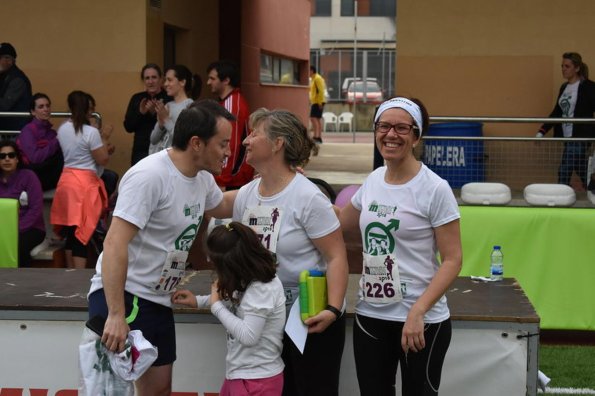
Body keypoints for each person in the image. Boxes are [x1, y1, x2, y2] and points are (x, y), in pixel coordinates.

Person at [87, 99, 238, 396]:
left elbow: (221, 206)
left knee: (159, 390)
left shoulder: (203, 179)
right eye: (222, 144)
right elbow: (114, 243)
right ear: (196, 143)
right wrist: (116, 314)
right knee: (114, 391)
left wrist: (273, 185)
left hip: (158, 299)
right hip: (126, 299)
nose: (228, 151)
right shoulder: (150, 176)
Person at [339, 97, 462, 396]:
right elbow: (341, 224)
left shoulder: (434, 188)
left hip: (420, 320)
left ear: (416, 136)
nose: (390, 134)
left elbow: (452, 259)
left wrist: (418, 312)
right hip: (372, 313)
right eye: (383, 126)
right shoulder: (372, 180)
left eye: (401, 127)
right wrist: (301, 189)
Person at [230, 108, 349, 396]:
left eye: (254, 134)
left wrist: (331, 310)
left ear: (277, 143)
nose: (246, 140)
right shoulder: (246, 194)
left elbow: (336, 256)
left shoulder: (308, 196)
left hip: (310, 316)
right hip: (263, 317)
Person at [172, 221, 286, 396]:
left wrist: (216, 307)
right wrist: (199, 301)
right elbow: (235, 303)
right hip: (240, 374)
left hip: (257, 380)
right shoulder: (248, 279)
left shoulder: (262, 288)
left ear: (235, 264)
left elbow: (248, 336)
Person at [50, 91, 110, 269]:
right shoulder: (91, 132)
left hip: (66, 181)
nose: (92, 113)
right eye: (91, 109)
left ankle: (69, 272)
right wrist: (105, 137)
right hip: (84, 185)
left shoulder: (62, 129)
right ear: (85, 109)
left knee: (71, 231)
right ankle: (78, 275)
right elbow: (103, 159)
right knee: (82, 232)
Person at [537, 52, 595, 188]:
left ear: (577, 68)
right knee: (581, 167)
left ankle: (560, 195)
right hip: (568, 136)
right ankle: (593, 188)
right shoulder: (564, 88)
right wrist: (542, 131)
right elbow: (557, 112)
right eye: (562, 66)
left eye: (567, 66)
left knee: (565, 168)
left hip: (581, 136)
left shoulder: (589, 87)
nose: (563, 69)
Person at [207, 60, 254, 190]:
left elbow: (230, 145)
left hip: (232, 181)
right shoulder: (230, 102)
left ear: (226, 80)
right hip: (232, 179)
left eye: (212, 78)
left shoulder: (232, 104)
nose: (208, 82)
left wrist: (222, 180)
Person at [0, 140, 45, 267]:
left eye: (11, 155)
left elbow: (36, 209)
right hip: (2, 229)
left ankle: (22, 282)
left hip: (31, 229)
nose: (7, 159)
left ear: (17, 159)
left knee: (18, 244)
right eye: (2, 156)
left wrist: (15, 229)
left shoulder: (29, 177)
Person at [124, 63, 171, 165]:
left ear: (161, 79)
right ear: (143, 81)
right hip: (141, 151)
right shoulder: (137, 98)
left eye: (154, 77)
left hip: (162, 149)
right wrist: (141, 113)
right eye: (147, 78)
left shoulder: (169, 98)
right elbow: (128, 127)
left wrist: (156, 113)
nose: (150, 81)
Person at [16, 93, 64, 191]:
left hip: (47, 173)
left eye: (47, 106)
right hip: (34, 174)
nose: (46, 109)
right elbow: (35, 158)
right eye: (41, 107)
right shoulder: (28, 130)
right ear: (33, 112)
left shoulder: (51, 133)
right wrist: (56, 141)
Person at [149, 64, 199, 155]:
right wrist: (160, 123)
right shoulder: (168, 105)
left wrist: (166, 120)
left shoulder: (190, 106)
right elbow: (153, 140)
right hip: (163, 160)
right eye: (165, 80)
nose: (165, 84)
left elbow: (182, 140)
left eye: (170, 80)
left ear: (182, 82)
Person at [0, 42, 32, 131]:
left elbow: (4, 106)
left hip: (14, 132)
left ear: (9, 60)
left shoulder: (17, 79)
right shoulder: (4, 76)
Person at [309, 66, 326, 144]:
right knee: (316, 119)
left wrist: (320, 103)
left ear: (312, 71)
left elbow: (321, 91)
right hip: (315, 101)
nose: (308, 73)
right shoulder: (313, 79)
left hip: (318, 102)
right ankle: (318, 137)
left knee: (313, 118)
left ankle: (317, 137)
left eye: (308, 71)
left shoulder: (317, 78)